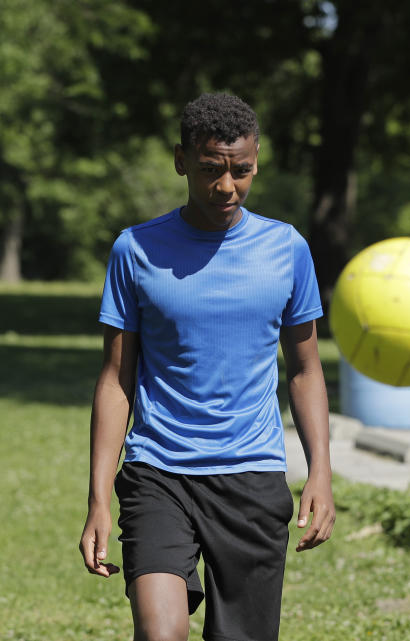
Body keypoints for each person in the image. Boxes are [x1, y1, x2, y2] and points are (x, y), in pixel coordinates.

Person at [78, 93, 335, 641]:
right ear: (181, 160)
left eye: (240, 172)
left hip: (252, 477)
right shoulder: (136, 250)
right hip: (158, 472)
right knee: (161, 632)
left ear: (257, 160)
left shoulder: (287, 249)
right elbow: (116, 379)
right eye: (210, 170)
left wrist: (321, 471)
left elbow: (305, 371)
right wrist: (99, 499)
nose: (226, 187)